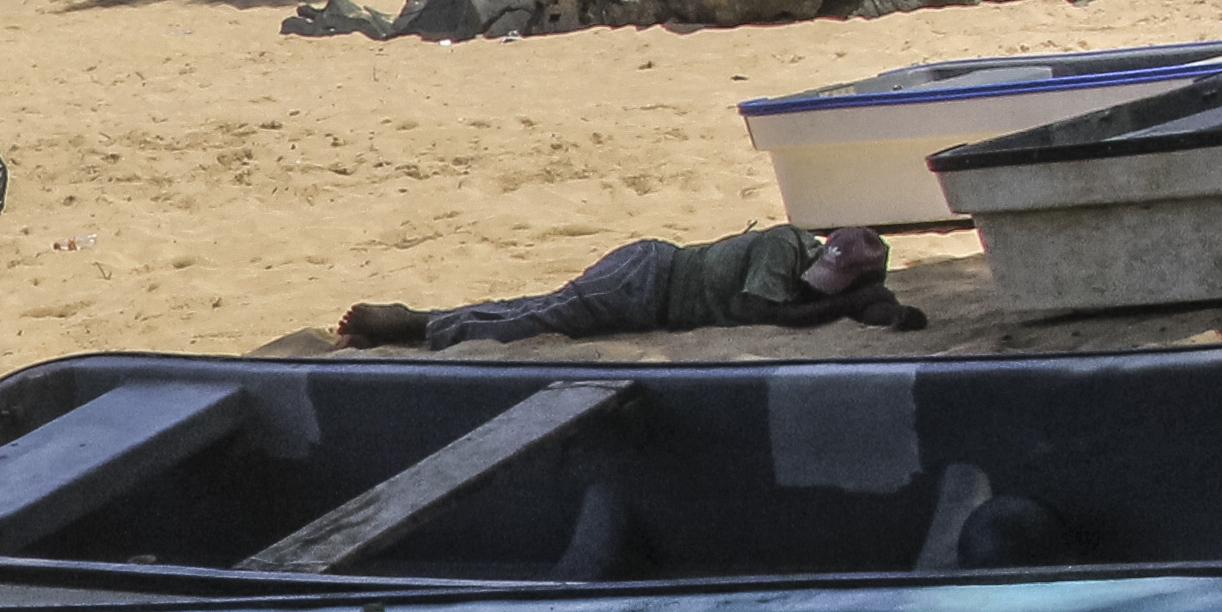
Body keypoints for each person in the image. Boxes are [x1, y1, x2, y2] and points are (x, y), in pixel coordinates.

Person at [339, 224, 910, 350]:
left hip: (650, 299)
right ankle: (414, 325)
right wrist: (850, 301)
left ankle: (422, 320)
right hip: (647, 275)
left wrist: (877, 307)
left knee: (542, 311)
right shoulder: (784, 246)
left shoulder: (813, 277)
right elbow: (762, 310)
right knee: (539, 318)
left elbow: (866, 306)